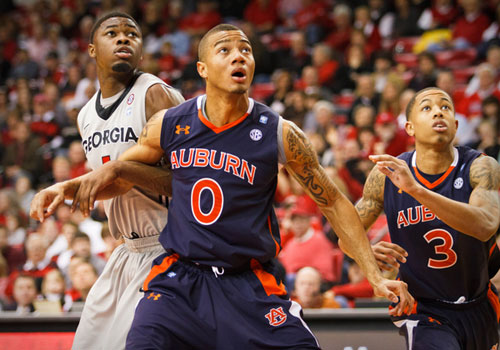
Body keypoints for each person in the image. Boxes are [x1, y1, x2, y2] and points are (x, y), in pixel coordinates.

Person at [37, 24, 413, 349]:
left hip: (247, 283)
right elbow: (118, 176)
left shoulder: (278, 132)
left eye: (245, 51)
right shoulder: (170, 123)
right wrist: (66, 188)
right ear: (202, 68)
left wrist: (374, 274)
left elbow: (333, 201)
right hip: (179, 281)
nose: (239, 58)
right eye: (226, 50)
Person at [29, 12, 184, 350]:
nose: (123, 38)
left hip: (170, 247)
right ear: (91, 50)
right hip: (126, 250)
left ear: (141, 52)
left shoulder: (155, 95)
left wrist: (122, 173)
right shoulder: (85, 115)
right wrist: (64, 188)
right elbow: (109, 178)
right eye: (112, 33)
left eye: (132, 34)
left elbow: (190, 183)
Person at [341, 87, 500, 349]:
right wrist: (365, 251)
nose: (438, 111)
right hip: (423, 309)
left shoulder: (480, 166)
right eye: (427, 107)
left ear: (456, 125)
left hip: (478, 302)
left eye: (446, 107)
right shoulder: (385, 175)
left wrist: (417, 190)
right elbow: (345, 237)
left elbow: (484, 225)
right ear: (410, 128)